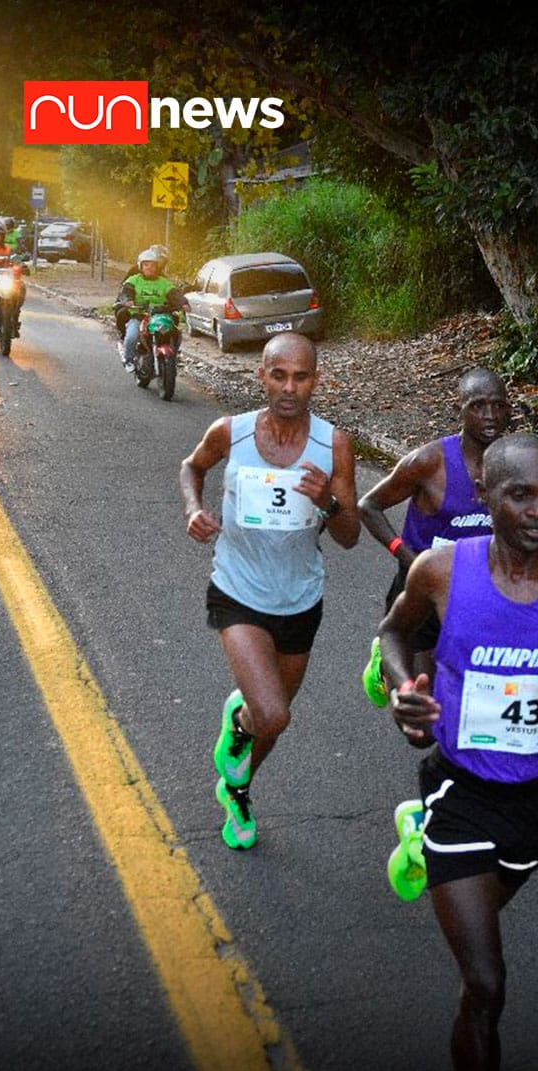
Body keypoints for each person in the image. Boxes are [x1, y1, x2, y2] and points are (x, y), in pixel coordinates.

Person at [380, 432, 538, 1071]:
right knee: (487, 983)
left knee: (480, 933)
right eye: (519, 495)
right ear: (488, 497)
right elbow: (395, 633)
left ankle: (418, 848)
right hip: (458, 790)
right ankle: (430, 834)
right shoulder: (441, 572)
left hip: (534, 801)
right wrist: (402, 689)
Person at [179, 332, 360, 850]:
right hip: (236, 588)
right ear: (260, 375)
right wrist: (194, 509)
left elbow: (347, 537)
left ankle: (238, 786)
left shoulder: (334, 445)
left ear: (315, 381)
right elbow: (191, 467)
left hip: (301, 598)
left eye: (300, 376)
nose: (289, 387)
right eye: (278, 374)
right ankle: (241, 721)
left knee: (270, 723)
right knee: (273, 712)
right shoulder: (229, 431)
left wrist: (327, 501)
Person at [359, 367, 511, 709]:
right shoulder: (430, 462)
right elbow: (368, 506)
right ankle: (384, 659)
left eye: (498, 406)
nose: (490, 416)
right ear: (459, 409)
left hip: (477, 589)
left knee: (472, 698)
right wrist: (406, 556)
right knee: (423, 706)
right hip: (421, 586)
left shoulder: (512, 462)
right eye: (478, 406)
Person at [115, 247, 185, 373]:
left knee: (175, 331)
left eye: (152, 265)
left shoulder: (164, 282)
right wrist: (128, 300)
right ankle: (128, 359)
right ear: (140, 266)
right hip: (139, 316)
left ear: (157, 267)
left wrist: (182, 302)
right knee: (131, 337)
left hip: (159, 316)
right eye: (146, 265)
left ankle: (172, 354)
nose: (149, 268)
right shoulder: (133, 280)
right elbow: (126, 291)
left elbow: (174, 293)